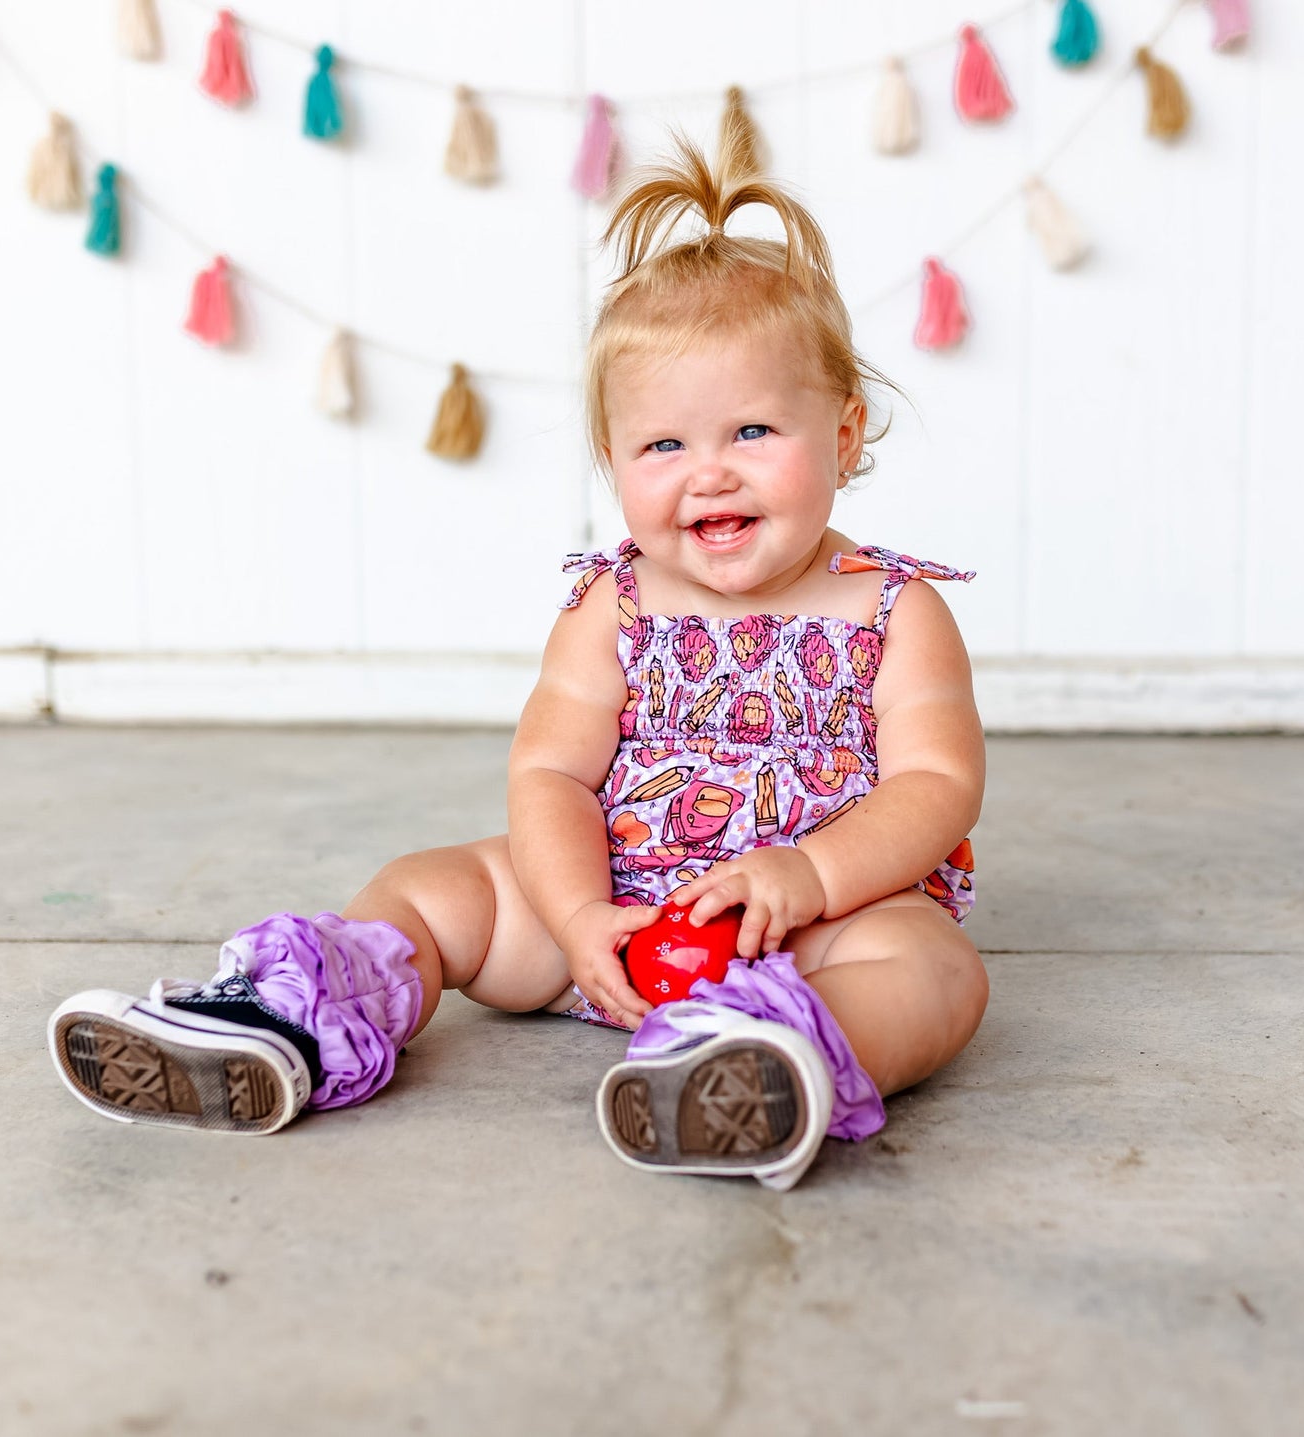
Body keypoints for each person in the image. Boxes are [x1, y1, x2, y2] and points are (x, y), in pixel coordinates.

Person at [48, 119, 989, 1192]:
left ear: (846, 431)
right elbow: (550, 771)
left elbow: (936, 783)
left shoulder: (893, 611)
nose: (708, 476)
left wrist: (810, 875)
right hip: (611, 908)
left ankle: (769, 1053)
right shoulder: (612, 604)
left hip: (805, 925)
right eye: (663, 446)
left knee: (932, 969)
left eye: (752, 434)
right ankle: (306, 1009)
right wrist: (577, 913)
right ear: (612, 460)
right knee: (437, 886)